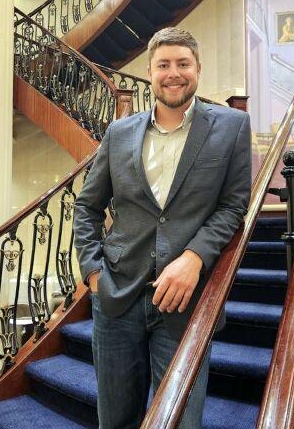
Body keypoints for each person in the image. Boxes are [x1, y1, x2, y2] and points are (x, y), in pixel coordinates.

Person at [73, 27, 251, 428]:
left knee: (181, 420)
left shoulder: (233, 126)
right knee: (115, 420)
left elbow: (233, 206)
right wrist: (93, 273)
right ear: (149, 72)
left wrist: (194, 257)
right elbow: (87, 206)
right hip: (117, 296)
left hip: (185, 301)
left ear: (198, 69)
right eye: (163, 65)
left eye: (183, 64)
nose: (174, 73)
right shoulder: (119, 133)